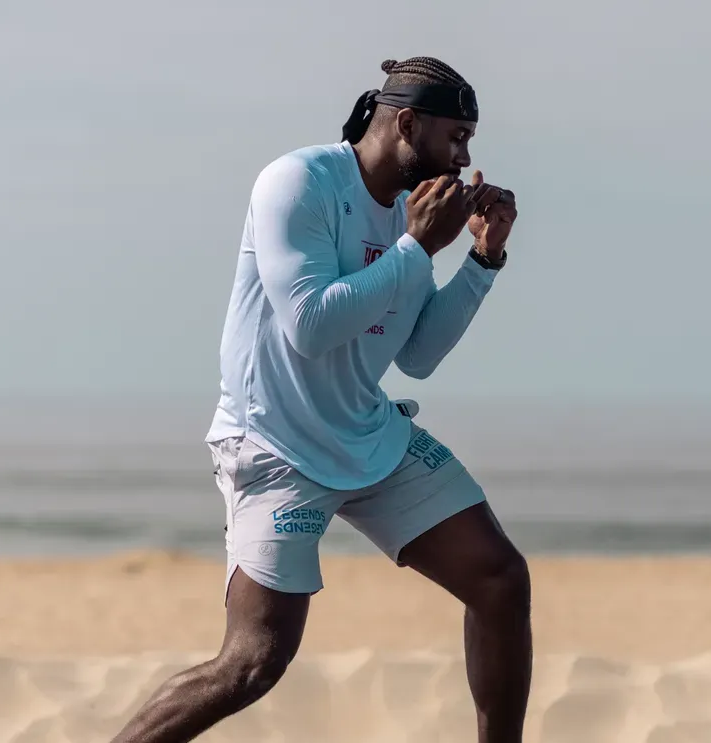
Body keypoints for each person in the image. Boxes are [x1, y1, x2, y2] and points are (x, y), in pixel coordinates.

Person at [110, 56, 530, 743]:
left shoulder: (404, 211)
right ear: (406, 123)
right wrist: (418, 248)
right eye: (456, 137)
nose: (465, 157)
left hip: (365, 432)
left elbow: (417, 355)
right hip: (274, 447)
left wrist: (482, 259)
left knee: (500, 579)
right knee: (253, 662)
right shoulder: (299, 181)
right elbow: (310, 326)